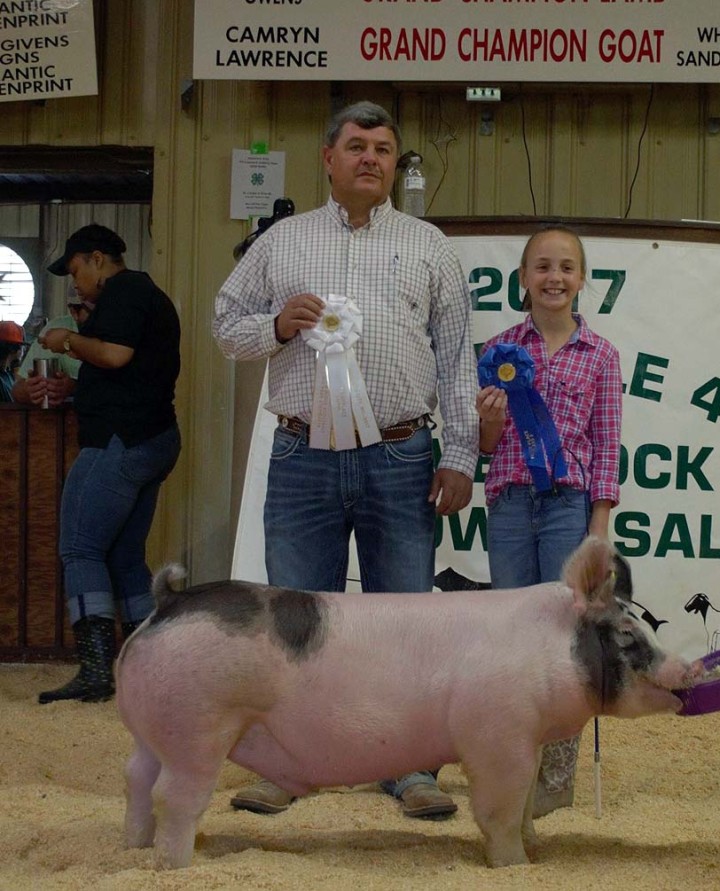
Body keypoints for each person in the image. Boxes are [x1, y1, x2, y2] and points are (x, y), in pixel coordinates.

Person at [213, 100, 479, 819]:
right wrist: (272, 324)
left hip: (403, 453)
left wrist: (460, 453)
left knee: (404, 622)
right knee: (297, 620)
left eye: (384, 148)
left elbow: (458, 360)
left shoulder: (430, 246)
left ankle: (411, 768)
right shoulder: (280, 243)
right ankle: (290, 767)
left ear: (395, 164)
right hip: (302, 453)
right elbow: (225, 324)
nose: (370, 157)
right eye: (356, 145)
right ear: (328, 158)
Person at [476, 225, 622, 817]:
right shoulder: (499, 351)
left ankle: (557, 775)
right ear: (523, 279)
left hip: (567, 504)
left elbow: (608, 446)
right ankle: (514, 765)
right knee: (513, 638)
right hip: (510, 502)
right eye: (541, 267)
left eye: (565, 267)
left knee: (567, 637)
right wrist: (489, 419)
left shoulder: (602, 355)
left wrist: (599, 527)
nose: (553, 277)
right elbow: (487, 445)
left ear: (582, 279)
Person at [36, 224, 181, 705]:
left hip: (119, 440)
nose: (74, 283)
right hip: (152, 437)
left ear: (97, 258)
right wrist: (78, 388)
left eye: (76, 270)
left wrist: (66, 341)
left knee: (80, 550)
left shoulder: (123, 291)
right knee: (122, 556)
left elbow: (116, 356)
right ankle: (153, 670)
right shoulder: (146, 294)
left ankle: (97, 670)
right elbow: (132, 371)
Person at [11, 302, 91, 406]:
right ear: (73, 312)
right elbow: (18, 391)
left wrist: (74, 387)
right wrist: (32, 390)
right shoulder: (57, 329)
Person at [0, 320, 25, 402]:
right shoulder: (3, 382)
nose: (23, 351)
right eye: (22, 347)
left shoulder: (7, 375)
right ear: (15, 349)